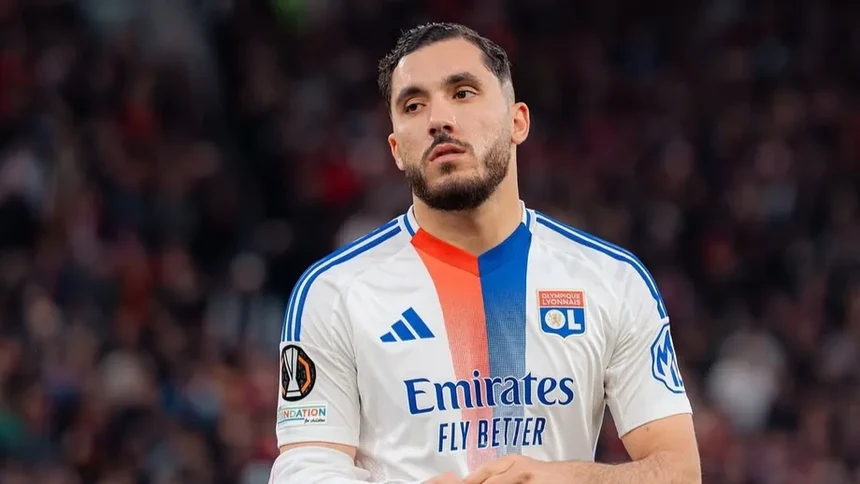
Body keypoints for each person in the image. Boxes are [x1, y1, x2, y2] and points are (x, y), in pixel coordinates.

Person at [269, 22, 701, 484]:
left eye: (462, 93)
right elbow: (304, 468)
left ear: (518, 122)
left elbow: (679, 471)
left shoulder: (611, 280)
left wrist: (563, 479)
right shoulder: (334, 293)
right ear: (396, 148)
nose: (438, 119)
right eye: (413, 105)